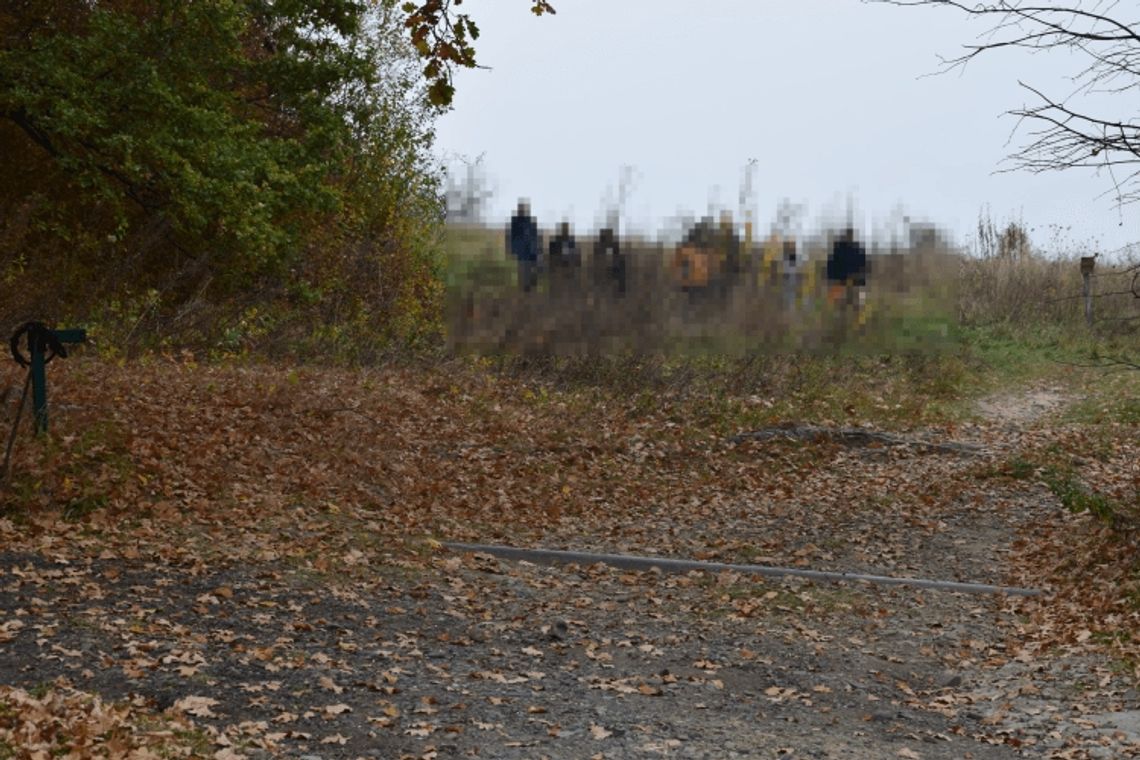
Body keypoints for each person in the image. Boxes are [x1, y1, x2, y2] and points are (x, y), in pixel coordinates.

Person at [825, 226, 869, 312]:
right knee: (843, 309)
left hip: (850, 283)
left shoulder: (840, 250)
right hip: (844, 283)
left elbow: (864, 267)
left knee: (851, 309)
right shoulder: (843, 250)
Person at [507, 200, 540, 293]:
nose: (521, 211)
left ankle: (529, 289)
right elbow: (511, 237)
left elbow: (535, 237)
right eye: (520, 209)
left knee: (531, 272)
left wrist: (536, 250)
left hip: (530, 252)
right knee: (522, 273)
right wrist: (512, 250)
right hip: (520, 253)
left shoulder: (530, 222)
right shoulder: (515, 222)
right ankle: (523, 290)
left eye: (523, 209)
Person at [547, 220, 581, 297]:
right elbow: (551, 255)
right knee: (558, 285)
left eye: (566, 229)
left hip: (569, 267)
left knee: (568, 285)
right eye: (564, 228)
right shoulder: (555, 241)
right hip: (558, 267)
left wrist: (576, 264)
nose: (565, 230)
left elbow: (576, 254)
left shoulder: (572, 241)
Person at [592, 227, 626, 297]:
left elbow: (618, 257)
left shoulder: (614, 245)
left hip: (613, 268)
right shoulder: (598, 247)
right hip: (604, 268)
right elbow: (597, 260)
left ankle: (620, 291)